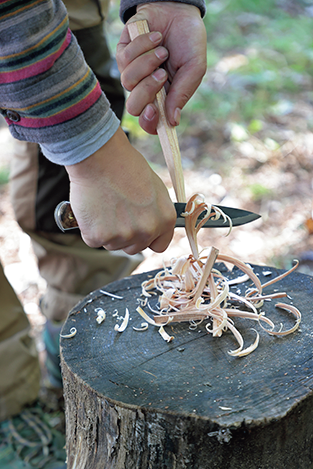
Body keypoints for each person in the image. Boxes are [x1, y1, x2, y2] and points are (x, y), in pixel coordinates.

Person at [0, 0, 207, 467]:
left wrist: (164, 4)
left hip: (66, 12)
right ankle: (7, 403)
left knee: (62, 164)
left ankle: (73, 340)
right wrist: (90, 148)